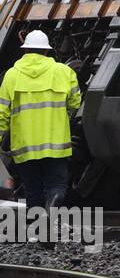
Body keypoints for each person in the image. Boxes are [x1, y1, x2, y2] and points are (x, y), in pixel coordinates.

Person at [0, 30, 81, 211]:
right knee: (57, 184)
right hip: (56, 144)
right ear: (46, 51)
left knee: (32, 188)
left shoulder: (12, 75)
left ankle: (39, 232)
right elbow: (75, 102)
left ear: (26, 50)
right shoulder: (64, 72)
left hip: (25, 146)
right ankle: (54, 201)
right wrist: (63, 119)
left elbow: (2, 113)